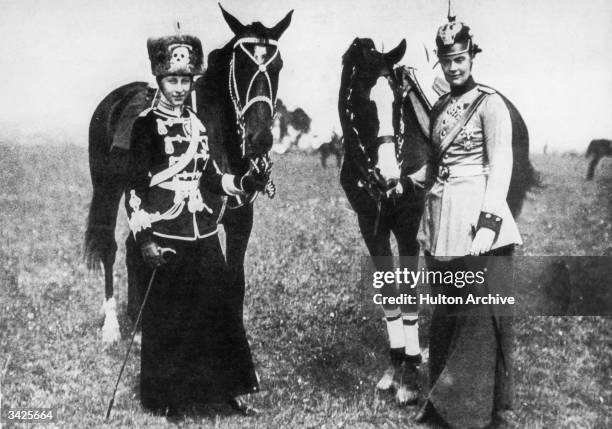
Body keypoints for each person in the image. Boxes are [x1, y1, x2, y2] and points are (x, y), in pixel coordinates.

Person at [125, 33, 266, 416]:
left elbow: (210, 178)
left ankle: (221, 393)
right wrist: (145, 240)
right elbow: (134, 190)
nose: (179, 89)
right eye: (173, 80)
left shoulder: (198, 125)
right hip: (166, 232)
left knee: (217, 308)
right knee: (170, 317)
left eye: (186, 81)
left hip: (201, 230)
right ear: (159, 79)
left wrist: (244, 183)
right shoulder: (145, 126)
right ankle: (170, 400)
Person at [415, 15, 523, 428]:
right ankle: (442, 405)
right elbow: (435, 166)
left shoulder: (490, 103)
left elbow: (502, 165)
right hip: (443, 220)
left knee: (482, 319)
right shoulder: (441, 106)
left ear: (471, 57)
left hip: (478, 222)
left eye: (460, 59)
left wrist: (488, 224)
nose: (454, 67)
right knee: (445, 316)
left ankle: (480, 412)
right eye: (447, 61)